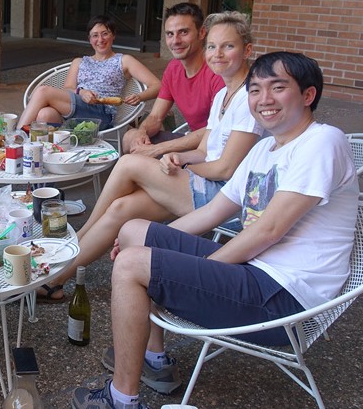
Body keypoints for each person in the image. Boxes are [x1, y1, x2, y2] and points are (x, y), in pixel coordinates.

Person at [70, 52, 358, 409]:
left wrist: (191, 267)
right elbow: (212, 212)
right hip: (253, 272)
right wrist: (156, 247)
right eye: (255, 90)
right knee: (133, 231)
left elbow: (268, 230)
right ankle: (155, 360)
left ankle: (121, 399)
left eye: (278, 88)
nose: (264, 100)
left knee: (131, 266)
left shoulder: (322, 142)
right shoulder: (266, 147)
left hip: (284, 299)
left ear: (308, 95)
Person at [37, 11, 263, 302]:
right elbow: (205, 150)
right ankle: (57, 279)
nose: (217, 54)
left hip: (227, 199)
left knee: (129, 163)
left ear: (247, 50)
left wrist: (177, 159)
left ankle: (75, 240)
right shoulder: (224, 96)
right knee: (120, 208)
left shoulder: (251, 97)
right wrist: (177, 157)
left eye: (227, 46)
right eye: (213, 47)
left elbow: (225, 168)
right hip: (202, 182)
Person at [18, 15, 160, 130]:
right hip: (74, 113)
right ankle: (48, 157)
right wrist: (81, 92)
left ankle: (15, 139)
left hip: (101, 114)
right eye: (95, 35)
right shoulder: (79, 62)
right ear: (89, 39)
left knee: (43, 91)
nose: (100, 40)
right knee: (45, 114)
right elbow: (68, 89)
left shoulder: (124, 60)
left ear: (113, 35)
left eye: (105, 34)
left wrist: (140, 96)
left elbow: (157, 85)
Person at [121, 2, 225, 156]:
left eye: (183, 32)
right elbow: (156, 117)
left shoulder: (217, 72)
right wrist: (142, 132)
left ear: (202, 33)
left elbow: (216, 129)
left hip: (213, 150)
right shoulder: (173, 68)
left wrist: (158, 149)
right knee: (130, 137)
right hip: (190, 141)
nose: (175, 41)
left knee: (134, 162)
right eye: (170, 34)